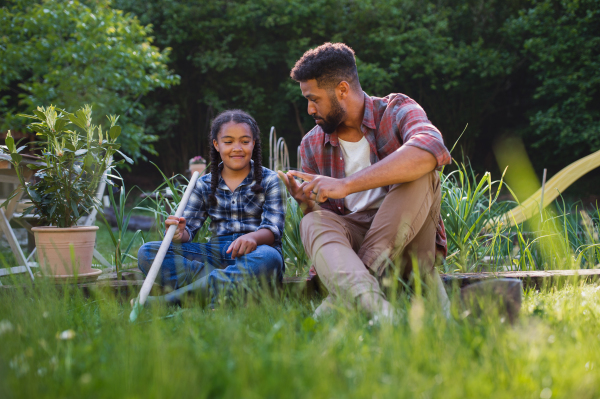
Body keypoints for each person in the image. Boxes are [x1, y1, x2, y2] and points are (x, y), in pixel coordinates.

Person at [279, 42, 452, 319]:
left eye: (314, 99)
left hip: (410, 244)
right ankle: (380, 310)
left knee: (422, 172)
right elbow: (327, 231)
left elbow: (431, 148)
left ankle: (349, 296)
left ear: (342, 90)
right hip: (354, 244)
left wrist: (345, 185)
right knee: (313, 221)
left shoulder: (396, 109)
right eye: (307, 100)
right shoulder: (310, 144)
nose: (310, 109)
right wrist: (309, 206)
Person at [138, 110, 286, 307]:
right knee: (148, 253)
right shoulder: (204, 184)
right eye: (228, 141)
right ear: (216, 145)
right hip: (216, 254)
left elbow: (274, 229)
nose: (237, 148)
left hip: (257, 251)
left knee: (269, 258)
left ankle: (173, 300)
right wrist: (179, 233)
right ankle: (229, 285)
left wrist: (252, 237)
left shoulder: (271, 180)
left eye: (244, 141)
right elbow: (187, 232)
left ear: (254, 143)